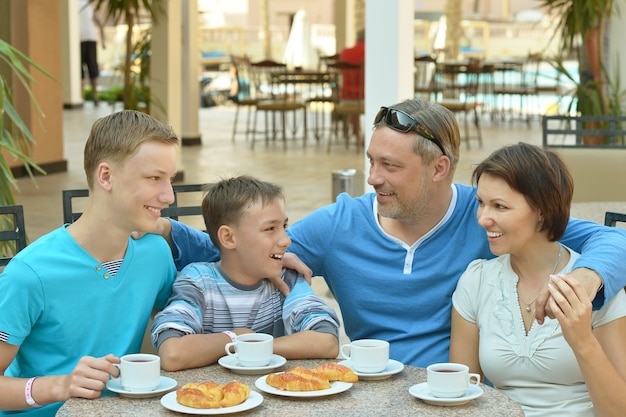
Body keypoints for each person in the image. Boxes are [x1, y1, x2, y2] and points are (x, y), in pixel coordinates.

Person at [155, 98, 626, 369]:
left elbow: (611, 239)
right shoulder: (341, 223)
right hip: (366, 389)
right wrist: (167, 228)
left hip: (459, 387)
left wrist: (587, 278)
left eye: (390, 166)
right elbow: (242, 251)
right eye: (371, 162)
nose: (373, 178)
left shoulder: (488, 218)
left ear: (440, 168)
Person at [0, 110, 179, 416]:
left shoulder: (155, 254)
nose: (169, 196)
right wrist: (60, 386)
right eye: (154, 178)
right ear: (106, 176)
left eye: (170, 179)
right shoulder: (29, 274)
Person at [450, 143, 626, 417]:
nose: (483, 218)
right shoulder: (476, 280)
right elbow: (461, 396)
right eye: (481, 203)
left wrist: (582, 340)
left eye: (500, 206)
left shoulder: (596, 284)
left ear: (542, 211)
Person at [151, 175, 340, 372]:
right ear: (228, 237)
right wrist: (236, 336)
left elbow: (327, 341)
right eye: (270, 229)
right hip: (213, 398)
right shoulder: (198, 282)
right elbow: (172, 353)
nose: (286, 240)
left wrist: (252, 345)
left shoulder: (286, 279)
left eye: (283, 227)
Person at [338, 29, 365, 145]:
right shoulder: (371, 51)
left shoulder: (345, 52)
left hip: (346, 96)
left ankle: (357, 135)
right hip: (366, 95)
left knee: (353, 106)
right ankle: (366, 136)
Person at [79, 0, 105, 106]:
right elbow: (100, 23)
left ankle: (94, 95)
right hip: (79, 39)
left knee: (92, 68)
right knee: (80, 70)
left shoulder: (88, 4)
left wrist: (103, 40)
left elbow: (100, 22)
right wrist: (103, 40)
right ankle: (82, 96)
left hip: (89, 38)